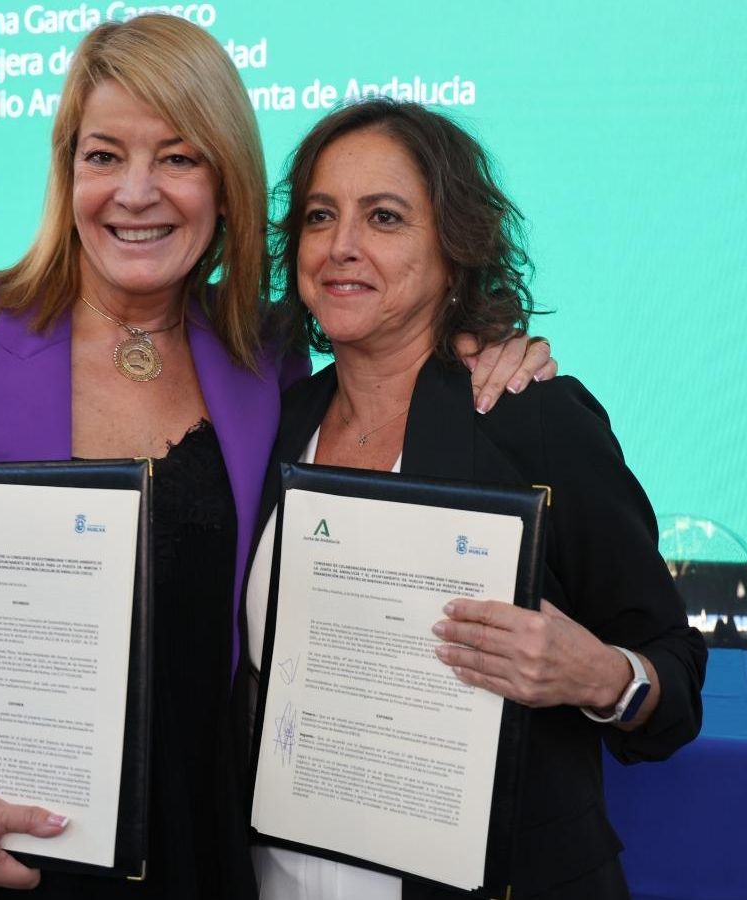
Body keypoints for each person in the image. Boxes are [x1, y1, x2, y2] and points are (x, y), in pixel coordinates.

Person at [0, 15, 556, 900]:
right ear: (68, 173)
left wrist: (486, 343)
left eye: (177, 157)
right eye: (103, 156)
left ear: (226, 186)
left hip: (190, 849)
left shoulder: (266, 357)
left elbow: (398, 322)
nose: (136, 192)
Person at [241, 99, 707, 899]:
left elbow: (675, 682)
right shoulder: (274, 423)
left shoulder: (533, 418)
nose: (342, 247)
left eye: (384, 217)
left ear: (454, 250)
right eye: (321, 216)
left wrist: (599, 677)